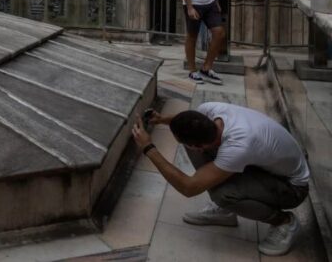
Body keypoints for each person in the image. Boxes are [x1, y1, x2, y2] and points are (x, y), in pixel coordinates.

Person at [131, 103, 310, 256]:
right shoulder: (208, 110)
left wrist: (149, 148)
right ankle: (227, 212)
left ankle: (284, 222)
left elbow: (189, 188)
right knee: (213, 173)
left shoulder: (238, 146)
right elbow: (190, 119)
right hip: (267, 167)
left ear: (200, 146)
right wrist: (163, 119)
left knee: (223, 194)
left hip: (292, 187)